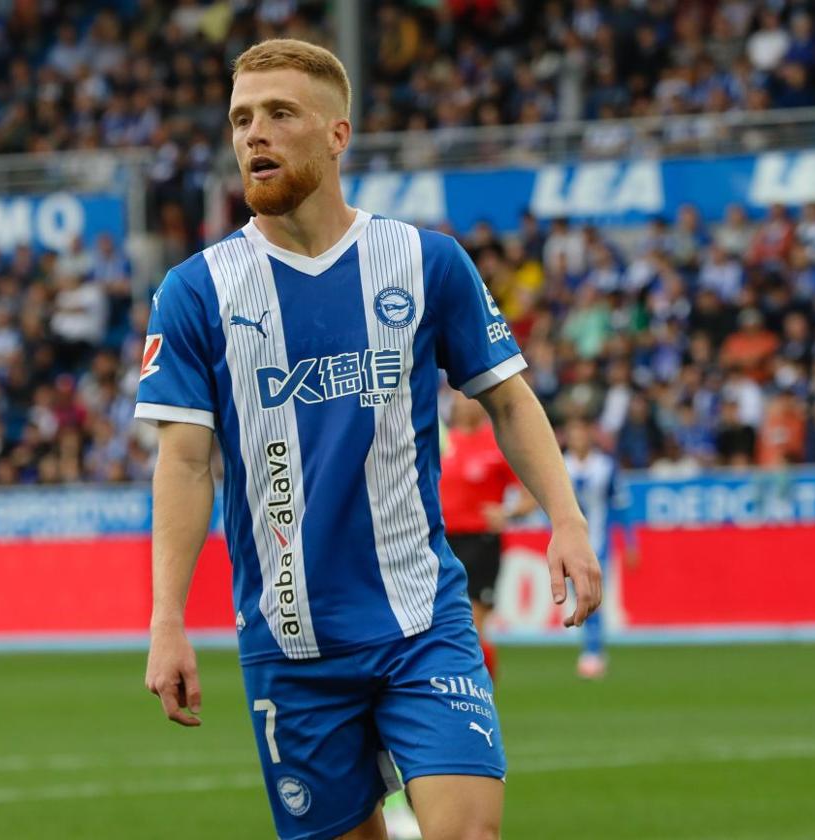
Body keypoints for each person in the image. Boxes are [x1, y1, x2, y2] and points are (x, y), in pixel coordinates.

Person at [136, 39, 601, 840]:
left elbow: (509, 398)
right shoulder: (195, 292)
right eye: (242, 118)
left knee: (468, 832)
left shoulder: (425, 262)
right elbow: (183, 462)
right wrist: (166, 618)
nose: (256, 134)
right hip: (291, 641)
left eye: (280, 114)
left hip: (420, 620)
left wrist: (566, 517)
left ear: (336, 133)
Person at [438, 389, 536, 680]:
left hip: (480, 543)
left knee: (474, 623)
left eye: (467, 397)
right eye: (456, 397)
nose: (461, 402)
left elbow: (531, 494)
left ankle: (483, 691)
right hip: (440, 543)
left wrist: (508, 513)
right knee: (444, 624)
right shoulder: (442, 442)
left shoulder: (495, 444)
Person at [563, 417, 630, 679]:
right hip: (570, 545)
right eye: (573, 433)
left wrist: (629, 541)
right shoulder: (560, 465)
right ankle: (591, 648)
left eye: (581, 433)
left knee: (593, 597)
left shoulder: (605, 466)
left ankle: (593, 650)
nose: (577, 438)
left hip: (599, 544)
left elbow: (619, 505)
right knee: (579, 596)